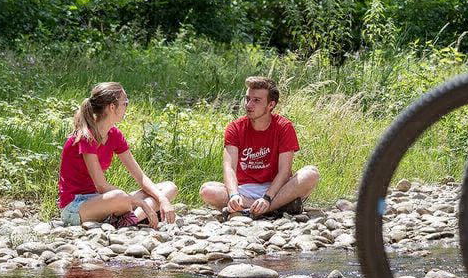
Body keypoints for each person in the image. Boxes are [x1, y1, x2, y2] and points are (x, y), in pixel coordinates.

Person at [58, 82, 178, 228]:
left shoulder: (114, 134)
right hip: (75, 206)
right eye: (125, 103)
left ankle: (130, 220)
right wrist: (139, 202)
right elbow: (101, 186)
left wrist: (162, 199)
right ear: (112, 107)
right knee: (120, 197)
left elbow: (140, 177)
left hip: (100, 200)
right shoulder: (86, 136)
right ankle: (134, 215)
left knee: (168, 188)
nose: (127, 107)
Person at [200, 76, 319, 219]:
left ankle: (260, 208)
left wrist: (267, 198)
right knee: (207, 190)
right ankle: (280, 206)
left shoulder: (284, 127)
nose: (249, 105)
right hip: (244, 190)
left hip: (277, 189)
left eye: (256, 100)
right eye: (247, 99)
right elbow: (229, 167)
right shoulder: (235, 127)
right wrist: (233, 195)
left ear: (270, 105)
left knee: (311, 174)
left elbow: (284, 172)